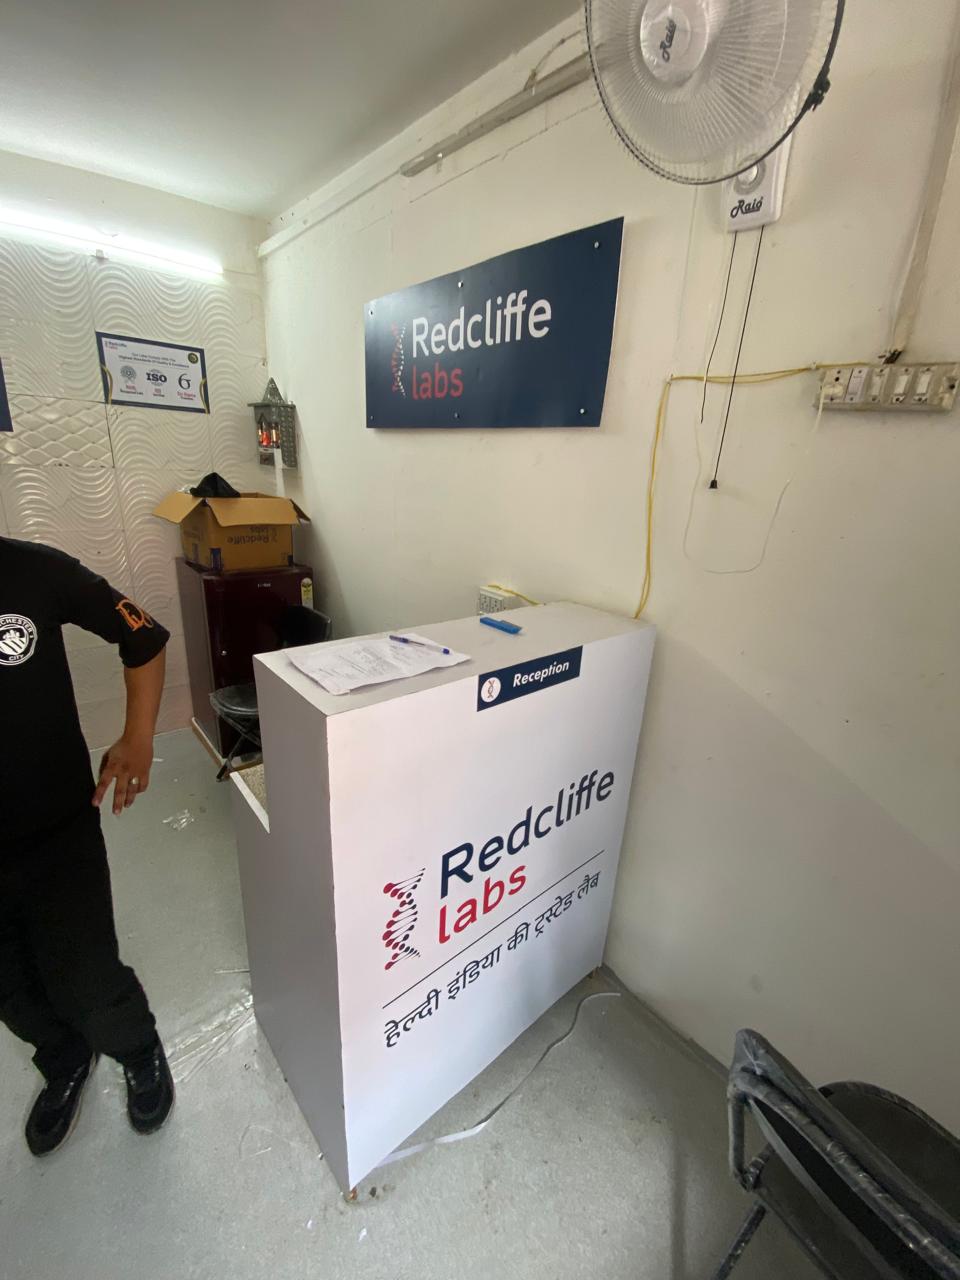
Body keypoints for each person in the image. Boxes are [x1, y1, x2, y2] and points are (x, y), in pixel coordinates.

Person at [1, 536, 175, 1156]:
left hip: (53, 828)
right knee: (12, 990)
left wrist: (139, 737)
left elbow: (143, 635)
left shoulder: (32, 570)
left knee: (86, 977)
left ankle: (136, 1048)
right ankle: (64, 1057)